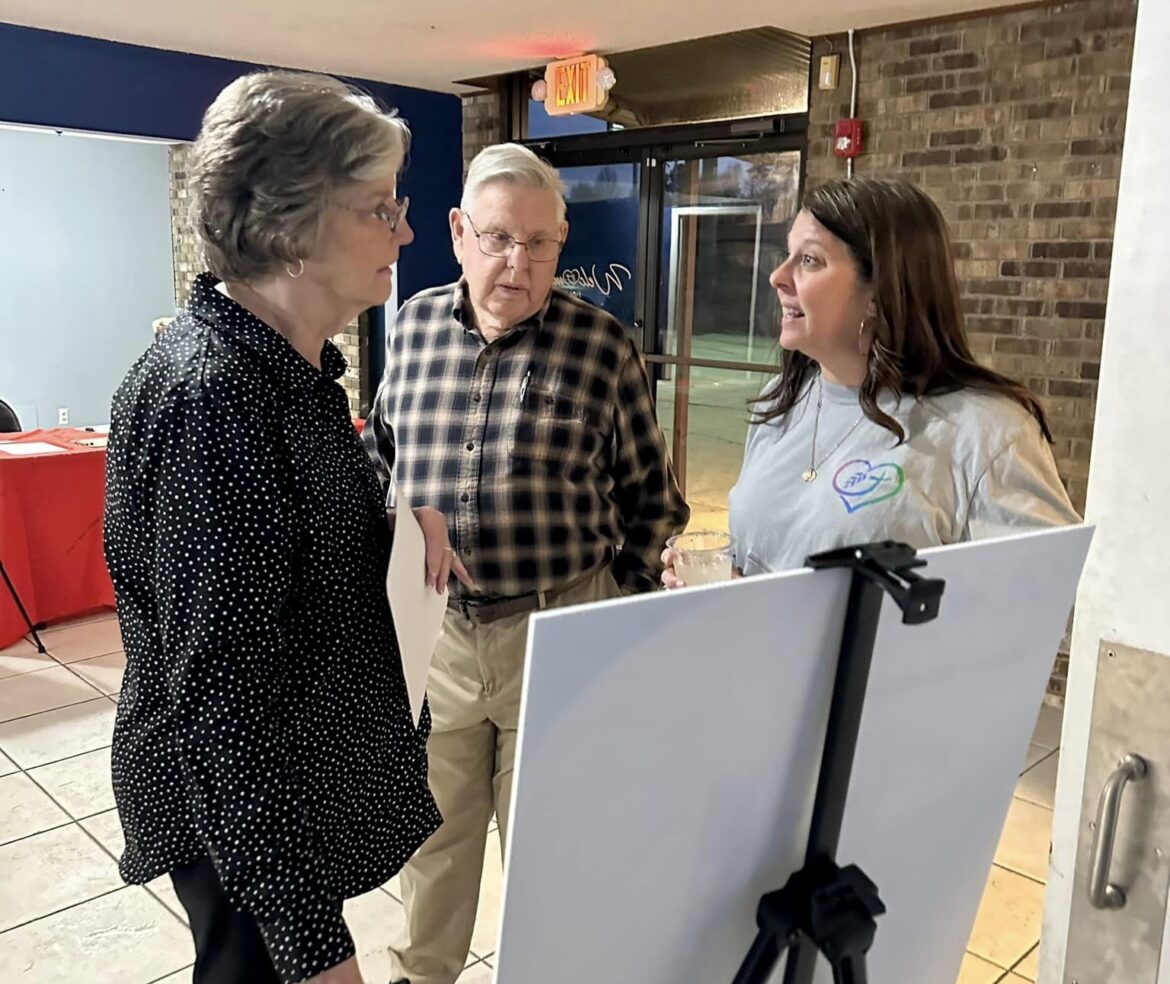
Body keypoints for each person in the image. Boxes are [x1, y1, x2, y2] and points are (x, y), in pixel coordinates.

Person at [103, 70, 468, 984]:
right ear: (288, 227)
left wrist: (393, 529)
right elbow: (221, 700)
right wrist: (314, 950)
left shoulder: (283, 371)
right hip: (238, 818)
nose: (406, 233)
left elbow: (279, 548)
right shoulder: (215, 399)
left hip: (279, 792)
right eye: (380, 209)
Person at [363, 141, 689, 983]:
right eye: (500, 238)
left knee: (556, 864)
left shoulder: (601, 345)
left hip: (559, 633)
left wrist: (613, 619)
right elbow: (378, 462)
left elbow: (654, 504)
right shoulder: (412, 328)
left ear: (561, 240)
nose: (519, 262)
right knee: (430, 852)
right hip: (438, 638)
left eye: (540, 243)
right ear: (458, 232)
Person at [663, 176, 1079, 586]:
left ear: (880, 291)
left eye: (809, 260)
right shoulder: (783, 401)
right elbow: (763, 570)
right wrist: (723, 586)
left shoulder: (987, 431)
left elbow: (1035, 601)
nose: (777, 276)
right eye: (788, 255)